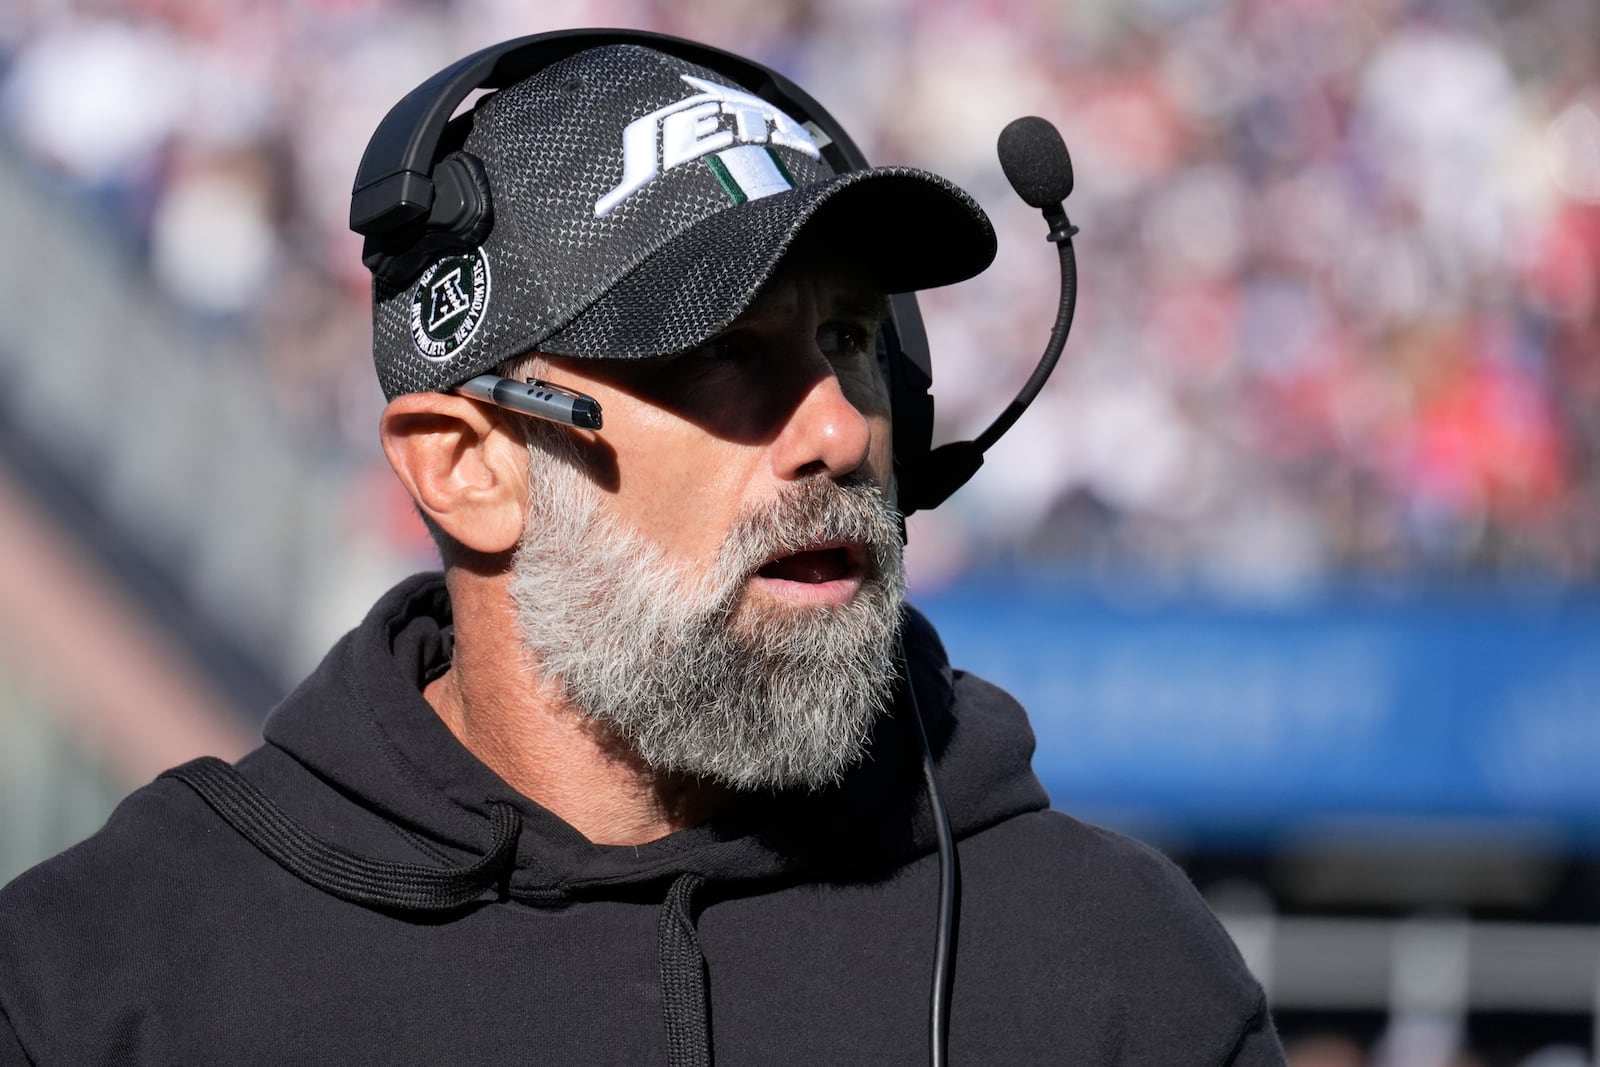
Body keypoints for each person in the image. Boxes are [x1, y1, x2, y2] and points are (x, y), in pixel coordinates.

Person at [0, 33, 1284, 1066]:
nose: (839, 429)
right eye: (724, 353)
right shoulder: (100, 980)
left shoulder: (1114, 963)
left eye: (848, 342)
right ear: (468, 464)